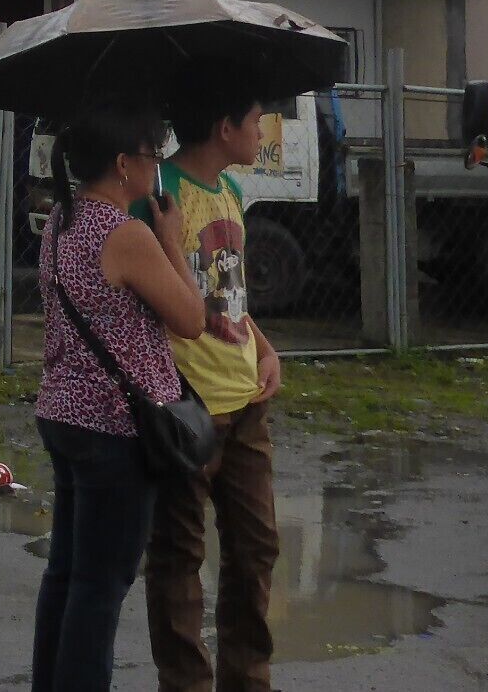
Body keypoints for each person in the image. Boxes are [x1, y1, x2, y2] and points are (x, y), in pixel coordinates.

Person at [32, 102, 206, 692]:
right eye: (152, 155)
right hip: (115, 430)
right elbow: (190, 318)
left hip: (64, 415)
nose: (157, 166)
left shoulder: (62, 219)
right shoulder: (125, 234)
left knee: (66, 576)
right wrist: (173, 241)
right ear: (124, 164)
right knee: (100, 589)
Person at [139, 75, 283, 692]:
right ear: (224, 127)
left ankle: (247, 679)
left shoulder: (229, 189)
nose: (262, 131)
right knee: (179, 559)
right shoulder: (158, 192)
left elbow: (229, 292)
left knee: (256, 550)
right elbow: (159, 295)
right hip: (187, 410)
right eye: (255, 119)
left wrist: (264, 345)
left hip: (246, 402)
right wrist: (169, 240)